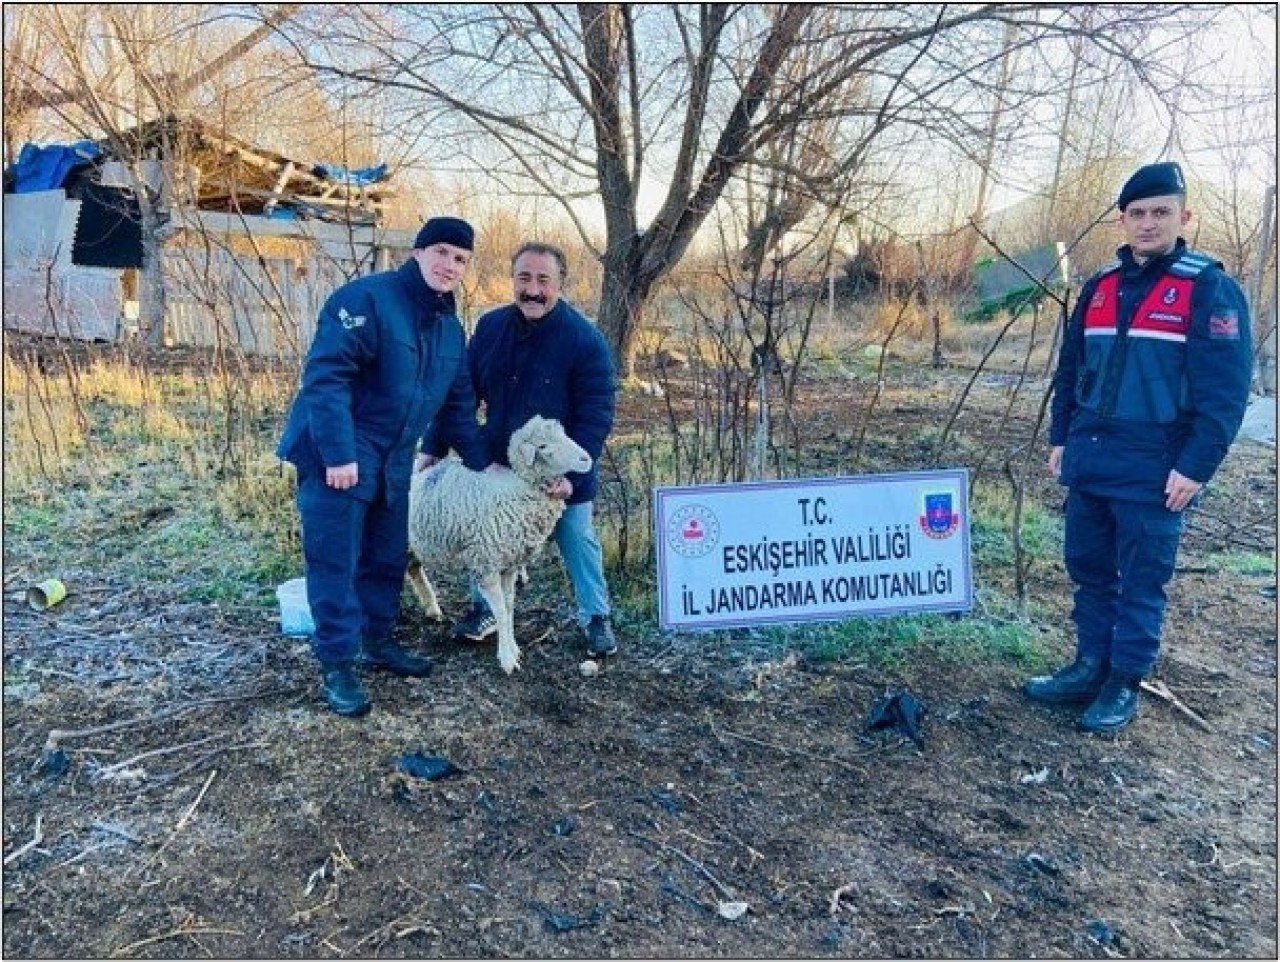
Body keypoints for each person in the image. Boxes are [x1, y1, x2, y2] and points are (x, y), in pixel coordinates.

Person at [1026, 161, 1254, 733]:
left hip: (1157, 470)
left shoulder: (1209, 289)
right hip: (1092, 459)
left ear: (1183, 216)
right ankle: (1089, 666)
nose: (1148, 223)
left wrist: (1195, 467)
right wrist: (1060, 436)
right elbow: (1072, 368)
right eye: (1137, 213)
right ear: (1122, 220)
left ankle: (1124, 682)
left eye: (1161, 212)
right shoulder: (1100, 287)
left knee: (1142, 579)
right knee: (1089, 570)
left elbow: (1225, 394)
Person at [277, 217, 490, 717]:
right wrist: (338, 454)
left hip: (394, 456)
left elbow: (458, 408)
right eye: (441, 252)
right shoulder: (366, 300)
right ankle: (337, 662)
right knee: (336, 559)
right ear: (417, 252)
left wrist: (487, 467)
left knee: (386, 555)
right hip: (339, 450)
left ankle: (377, 641)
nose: (450, 265)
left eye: (460, 259)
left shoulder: (448, 329)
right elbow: (327, 379)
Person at [426, 241, 619, 658]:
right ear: (512, 280)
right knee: (482, 533)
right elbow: (461, 394)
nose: (533, 290)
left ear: (560, 284)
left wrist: (573, 478)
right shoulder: (491, 328)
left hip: (558, 470)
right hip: (498, 462)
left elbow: (596, 416)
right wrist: (434, 446)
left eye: (543, 280)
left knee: (577, 534)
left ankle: (596, 616)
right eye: (524, 278)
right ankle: (484, 609)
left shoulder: (586, 342)